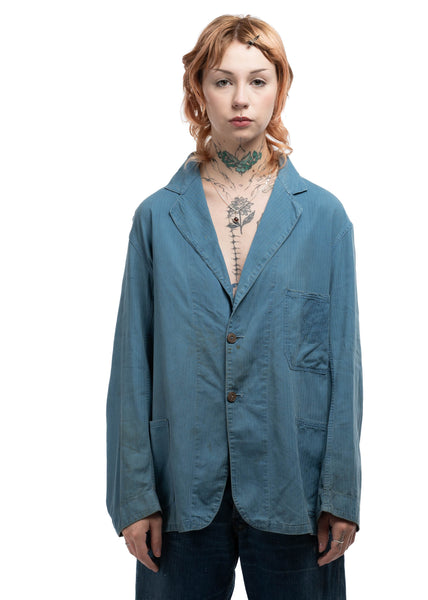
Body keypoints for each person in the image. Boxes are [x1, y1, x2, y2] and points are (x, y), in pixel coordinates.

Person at [106, 14, 363, 600]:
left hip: (295, 485)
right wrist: (134, 497)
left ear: (280, 89)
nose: (240, 98)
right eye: (223, 81)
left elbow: (344, 365)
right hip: (180, 487)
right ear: (198, 90)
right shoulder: (157, 217)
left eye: (258, 80)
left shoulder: (324, 217)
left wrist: (341, 493)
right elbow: (131, 364)